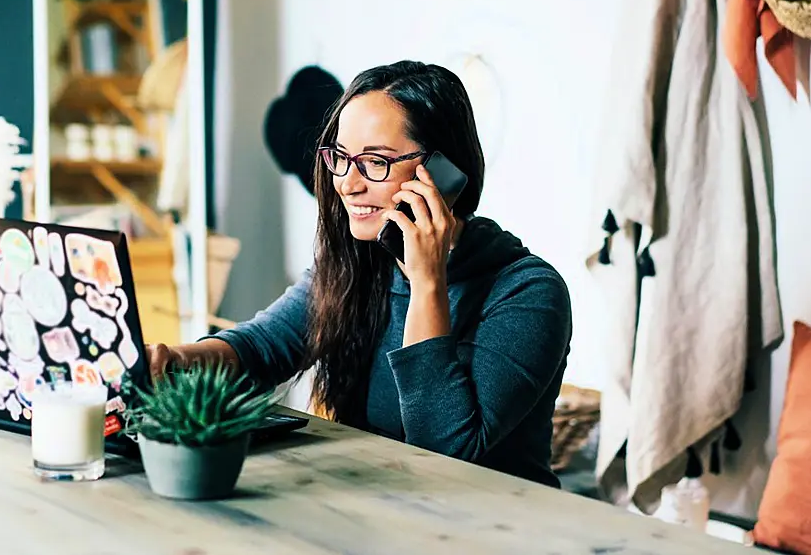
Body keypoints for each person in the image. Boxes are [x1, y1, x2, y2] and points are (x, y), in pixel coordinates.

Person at [147, 60, 573, 488]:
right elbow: (261, 349)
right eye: (340, 158)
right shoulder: (359, 263)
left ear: (443, 174)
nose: (348, 184)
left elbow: (445, 455)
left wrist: (427, 283)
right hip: (382, 515)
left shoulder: (528, 292)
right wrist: (175, 361)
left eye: (375, 162)